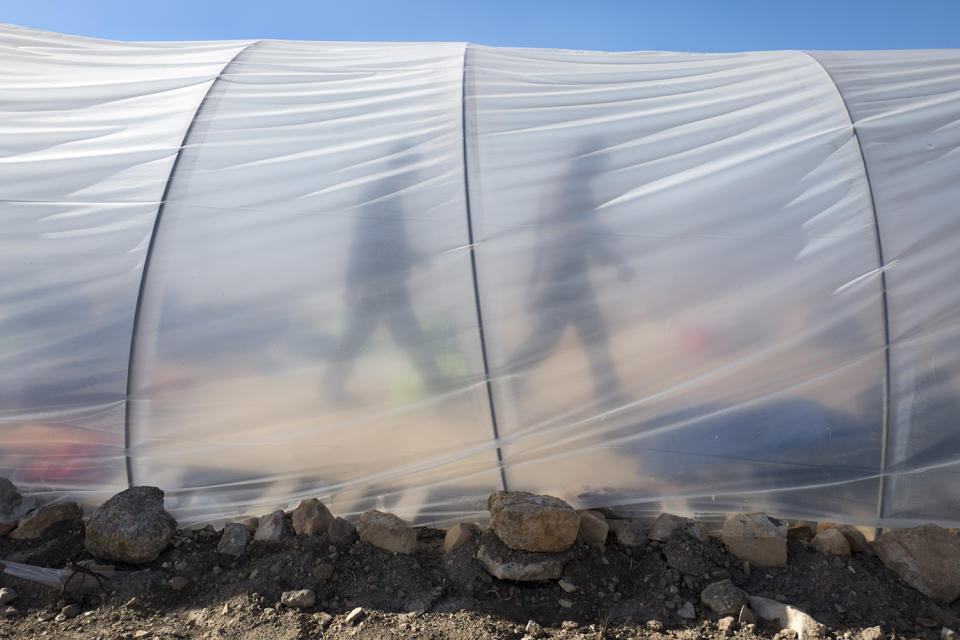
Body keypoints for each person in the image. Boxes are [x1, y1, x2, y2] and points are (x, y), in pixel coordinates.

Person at [507, 141, 633, 405]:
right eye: (599, 164)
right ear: (589, 162)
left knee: (553, 339)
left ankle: (510, 380)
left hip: (559, 277)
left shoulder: (561, 186)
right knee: (581, 337)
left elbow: (579, 229)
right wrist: (615, 262)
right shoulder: (574, 189)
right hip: (563, 279)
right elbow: (583, 233)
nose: (600, 171)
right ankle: (508, 379)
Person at [323, 145, 443, 401]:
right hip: (379, 282)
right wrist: (413, 257)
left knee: (375, 335)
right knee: (400, 334)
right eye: (415, 168)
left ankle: (331, 389)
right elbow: (376, 241)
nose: (418, 174)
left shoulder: (385, 192)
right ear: (404, 166)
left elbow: (376, 240)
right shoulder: (383, 194)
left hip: (378, 280)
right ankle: (437, 384)